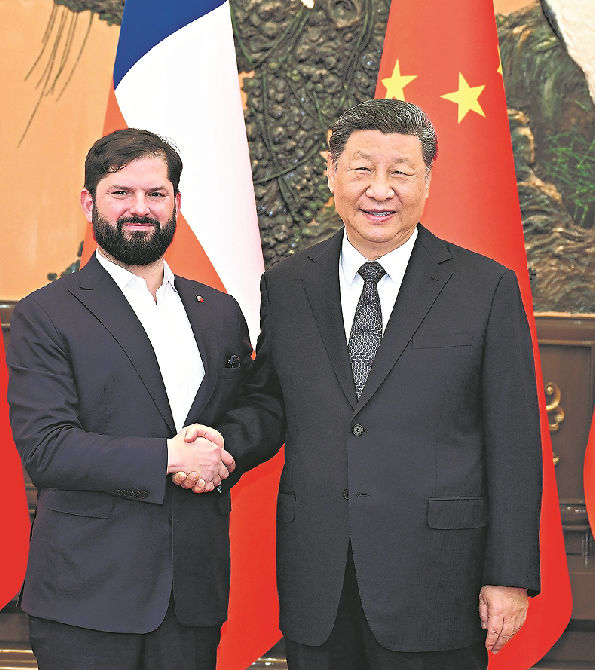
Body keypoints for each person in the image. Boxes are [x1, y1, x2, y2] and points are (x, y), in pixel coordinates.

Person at [179, 99, 542, 669]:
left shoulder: (485, 287)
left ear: (427, 180)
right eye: (362, 169)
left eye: (400, 172)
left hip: (438, 579)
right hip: (318, 577)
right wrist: (223, 447)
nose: (380, 190)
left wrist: (509, 575)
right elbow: (272, 402)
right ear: (332, 174)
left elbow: (514, 442)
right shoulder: (288, 285)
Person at [6, 128, 250, 670]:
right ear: (88, 202)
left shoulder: (219, 312)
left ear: (176, 203)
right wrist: (170, 457)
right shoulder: (46, 314)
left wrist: (220, 448)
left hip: (192, 598)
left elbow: (255, 408)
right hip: (86, 598)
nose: (140, 208)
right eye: (121, 193)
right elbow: (47, 449)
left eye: (155, 194)